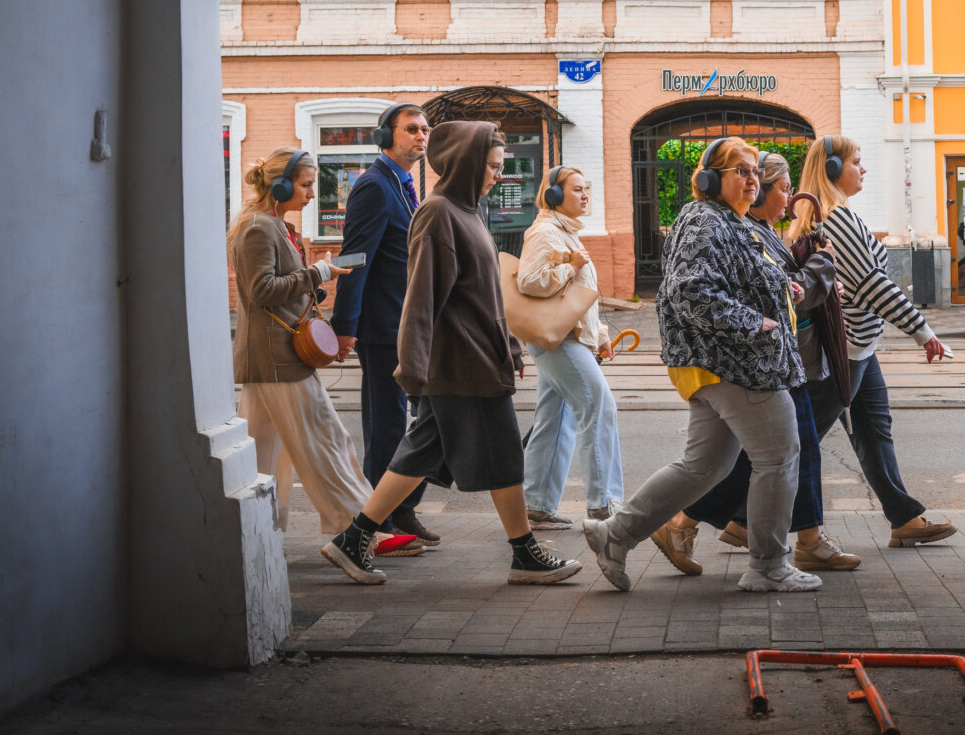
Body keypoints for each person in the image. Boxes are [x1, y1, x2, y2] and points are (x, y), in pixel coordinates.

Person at [320, 121, 581, 587]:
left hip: (477, 358)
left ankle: (353, 540)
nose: (499, 175)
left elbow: (487, 295)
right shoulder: (439, 214)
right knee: (505, 455)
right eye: (493, 166)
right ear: (467, 163)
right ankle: (525, 554)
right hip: (463, 363)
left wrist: (510, 346)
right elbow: (421, 298)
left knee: (419, 454)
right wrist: (412, 366)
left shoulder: (467, 211)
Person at [580, 137, 818, 594]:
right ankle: (769, 566)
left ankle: (614, 534)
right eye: (741, 171)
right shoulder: (705, 219)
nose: (753, 179)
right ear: (710, 178)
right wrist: (755, 322)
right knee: (779, 456)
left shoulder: (731, 221)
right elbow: (689, 290)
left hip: (725, 363)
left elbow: (734, 277)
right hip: (735, 363)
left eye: (755, 171)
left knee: (703, 467)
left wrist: (781, 290)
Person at [650, 152, 859, 576]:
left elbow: (784, 293)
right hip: (757, 362)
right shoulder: (728, 226)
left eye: (756, 175)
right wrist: (820, 268)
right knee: (780, 454)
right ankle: (778, 553)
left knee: (749, 459)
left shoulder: (752, 230)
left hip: (775, 359)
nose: (789, 198)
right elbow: (779, 294)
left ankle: (691, 527)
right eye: (782, 188)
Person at [787, 135, 959, 549]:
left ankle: (905, 518)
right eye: (856, 162)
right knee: (796, 441)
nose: (862, 169)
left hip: (859, 346)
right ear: (832, 169)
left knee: (873, 431)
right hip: (843, 351)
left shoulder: (836, 215)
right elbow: (872, 285)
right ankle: (723, 516)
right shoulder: (837, 218)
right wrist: (923, 332)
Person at [231, 147, 382, 542]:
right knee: (328, 440)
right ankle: (358, 530)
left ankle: (261, 533)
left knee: (263, 455)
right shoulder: (259, 228)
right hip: (278, 358)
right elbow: (262, 290)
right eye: (306, 185)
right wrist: (318, 272)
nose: (313, 193)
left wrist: (316, 279)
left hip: (271, 358)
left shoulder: (276, 226)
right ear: (280, 186)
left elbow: (280, 289)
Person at [330, 102, 437, 545]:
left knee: (424, 421)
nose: (421, 136)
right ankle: (380, 523)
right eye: (411, 129)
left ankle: (404, 507)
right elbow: (355, 258)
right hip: (382, 327)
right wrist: (344, 325)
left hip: (409, 324)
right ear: (384, 136)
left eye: (425, 129)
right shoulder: (373, 186)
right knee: (388, 425)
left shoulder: (405, 185)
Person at [518, 165, 624, 528]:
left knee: (554, 419)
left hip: (569, 336)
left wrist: (601, 335)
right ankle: (603, 503)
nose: (585, 195)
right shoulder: (545, 232)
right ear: (554, 195)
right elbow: (529, 281)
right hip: (560, 339)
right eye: (577, 189)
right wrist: (570, 266)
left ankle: (537, 503)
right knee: (599, 408)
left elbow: (580, 296)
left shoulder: (565, 232)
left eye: (586, 188)